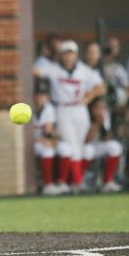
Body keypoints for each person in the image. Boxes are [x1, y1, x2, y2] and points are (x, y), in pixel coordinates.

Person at [34, 40, 106, 194]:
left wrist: (88, 98)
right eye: (65, 53)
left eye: (71, 53)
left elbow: (101, 87)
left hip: (79, 108)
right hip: (62, 108)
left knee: (79, 147)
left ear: (76, 54)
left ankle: (73, 181)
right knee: (71, 145)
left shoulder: (84, 70)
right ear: (60, 55)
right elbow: (35, 71)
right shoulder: (53, 69)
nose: (68, 56)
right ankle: (77, 182)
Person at [82, 98, 123, 193]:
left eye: (102, 107)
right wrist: (96, 123)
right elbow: (87, 139)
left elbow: (107, 136)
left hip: (98, 145)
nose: (100, 110)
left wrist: (104, 127)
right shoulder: (85, 115)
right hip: (85, 146)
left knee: (115, 147)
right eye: (97, 107)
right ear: (91, 108)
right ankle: (80, 179)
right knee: (88, 151)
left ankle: (108, 182)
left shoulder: (105, 115)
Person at [32, 79, 63, 196]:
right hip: (30, 143)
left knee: (60, 149)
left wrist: (52, 139)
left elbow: (48, 130)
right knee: (46, 151)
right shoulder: (26, 109)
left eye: (43, 95)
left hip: (42, 141)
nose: (40, 98)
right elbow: (23, 135)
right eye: (38, 95)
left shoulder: (49, 108)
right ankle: (48, 184)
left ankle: (61, 182)